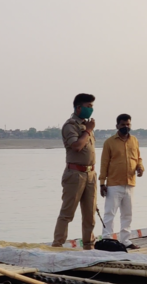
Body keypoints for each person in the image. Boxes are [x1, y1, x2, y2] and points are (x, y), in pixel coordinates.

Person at [52, 93, 97, 250]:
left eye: (92, 107)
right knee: (67, 213)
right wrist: (88, 131)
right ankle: (57, 245)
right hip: (75, 174)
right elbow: (77, 146)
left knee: (90, 214)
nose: (91, 110)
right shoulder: (70, 125)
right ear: (78, 108)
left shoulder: (86, 125)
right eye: (88, 106)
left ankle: (88, 244)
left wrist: (88, 129)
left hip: (90, 174)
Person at [99, 114, 144, 250]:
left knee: (127, 214)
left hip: (130, 183)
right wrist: (102, 183)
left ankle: (125, 240)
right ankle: (107, 238)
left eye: (128, 124)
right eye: (123, 124)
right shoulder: (109, 142)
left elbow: (138, 158)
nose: (126, 127)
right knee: (110, 213)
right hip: (114, 183)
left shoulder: (134, 140)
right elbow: (104, 163)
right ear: (117, 126)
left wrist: (140, 167)